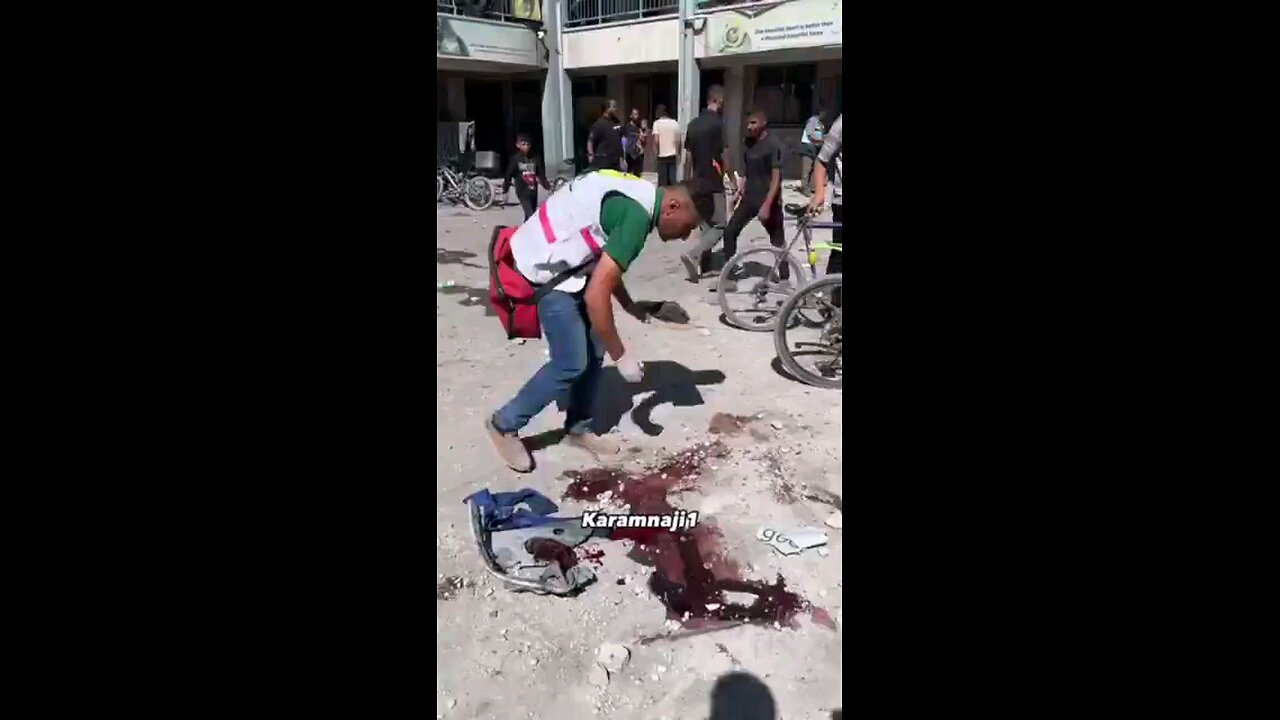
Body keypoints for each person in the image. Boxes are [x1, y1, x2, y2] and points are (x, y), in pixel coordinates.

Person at [485, 172, 704, 472]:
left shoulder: (640, 196)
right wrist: (622, 356)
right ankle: (503, 424)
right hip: (543, 272)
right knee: (571, 361)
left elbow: (605, 267)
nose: (685, 236)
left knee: (595, 346)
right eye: (688, 227)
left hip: (565, 264)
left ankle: (578, 427)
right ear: (673, 207)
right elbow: (596, 294)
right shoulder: (636, 218)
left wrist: (629, 306)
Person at [720, 110, 786, 291]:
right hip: (749, 198)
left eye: (753, 123)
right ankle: (728, 278)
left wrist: (767, 204)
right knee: (730, 231)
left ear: (764, 123)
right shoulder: (748, 144)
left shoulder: (774, 145)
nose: (749, 127)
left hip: (768, 199)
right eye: (748, 123)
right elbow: (749, 171)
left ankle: (785, 279)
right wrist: (739, 190)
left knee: (778, 240)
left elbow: (776, 178)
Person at [678, 85, 731, 283]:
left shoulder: (693, 125)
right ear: (719, 101)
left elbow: (688, 157)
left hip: (697, 182)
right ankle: (693, 254)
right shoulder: (718, 124)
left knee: (706, 225)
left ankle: (704, 267)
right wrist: (732, 178)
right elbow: (725, 154)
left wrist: (686, 183)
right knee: (720, 225)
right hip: (714, 183)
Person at [808, 113, 842, 306]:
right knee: (839, 255)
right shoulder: (841, 124)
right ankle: (832, 307)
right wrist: (820, 193)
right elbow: (822, 160)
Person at [501, 133, 552, 221]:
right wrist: (505, 189)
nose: (526, 146)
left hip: (533, 191)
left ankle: (524, 231)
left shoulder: (535, 158)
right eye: (523, 144)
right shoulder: (516, 159)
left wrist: (547, 186)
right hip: (522, 191)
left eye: (528, 144)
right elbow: (508, 174)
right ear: (518, 145)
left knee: (530, 215)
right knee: (531, 215)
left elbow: (540, 174)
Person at [587, 100, 624, 171]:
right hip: (603, 163)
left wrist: (622, 159)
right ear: (607, 109)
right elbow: (590, 142)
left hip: (616, 163)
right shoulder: (598, 124)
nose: (616, 109)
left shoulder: (615, 123)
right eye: (614, 107)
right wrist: (591, 157)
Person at [652, 105, 681, 187]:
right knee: (672, 180)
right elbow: (678, 140)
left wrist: (655, 153)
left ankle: (663, 198)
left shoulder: (657, 124)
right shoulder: (675, 123)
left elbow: (656, 141)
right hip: (673, 154)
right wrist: (678, 153)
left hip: (662, 155)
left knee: (662, 181)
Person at [798, 110, 826, 195]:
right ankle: (804, 187)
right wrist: (822, 141)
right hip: (808, 146)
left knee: (815, 167)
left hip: (816, 147)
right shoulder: (813, 120)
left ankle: (813, 187)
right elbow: (810, 135)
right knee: (807, 168)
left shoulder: (822, 123)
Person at [623, 108, 645, 174]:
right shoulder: (626, 127)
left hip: (638, 155)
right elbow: (624, 141)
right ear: (630, 116)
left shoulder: (640, 128)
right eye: (634, 114)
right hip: (629, 154)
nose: (636, 116)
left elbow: (643, 140)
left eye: (637, 114)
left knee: (637, 175)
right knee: (628, 174)